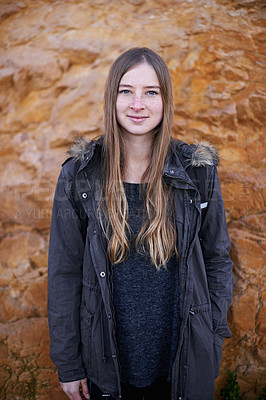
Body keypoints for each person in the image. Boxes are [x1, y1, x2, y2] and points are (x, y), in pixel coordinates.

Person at [48, 47, 234, 400]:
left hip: (183, 357)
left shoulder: (198, 172)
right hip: (105, 362)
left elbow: (217, 260)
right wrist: (69, 364)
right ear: (111, 98)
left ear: (165, 100)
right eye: (126, 91)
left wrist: (210, 334)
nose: (138, 104)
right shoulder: (80, 175)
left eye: (151, 92)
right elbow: (64, 273)